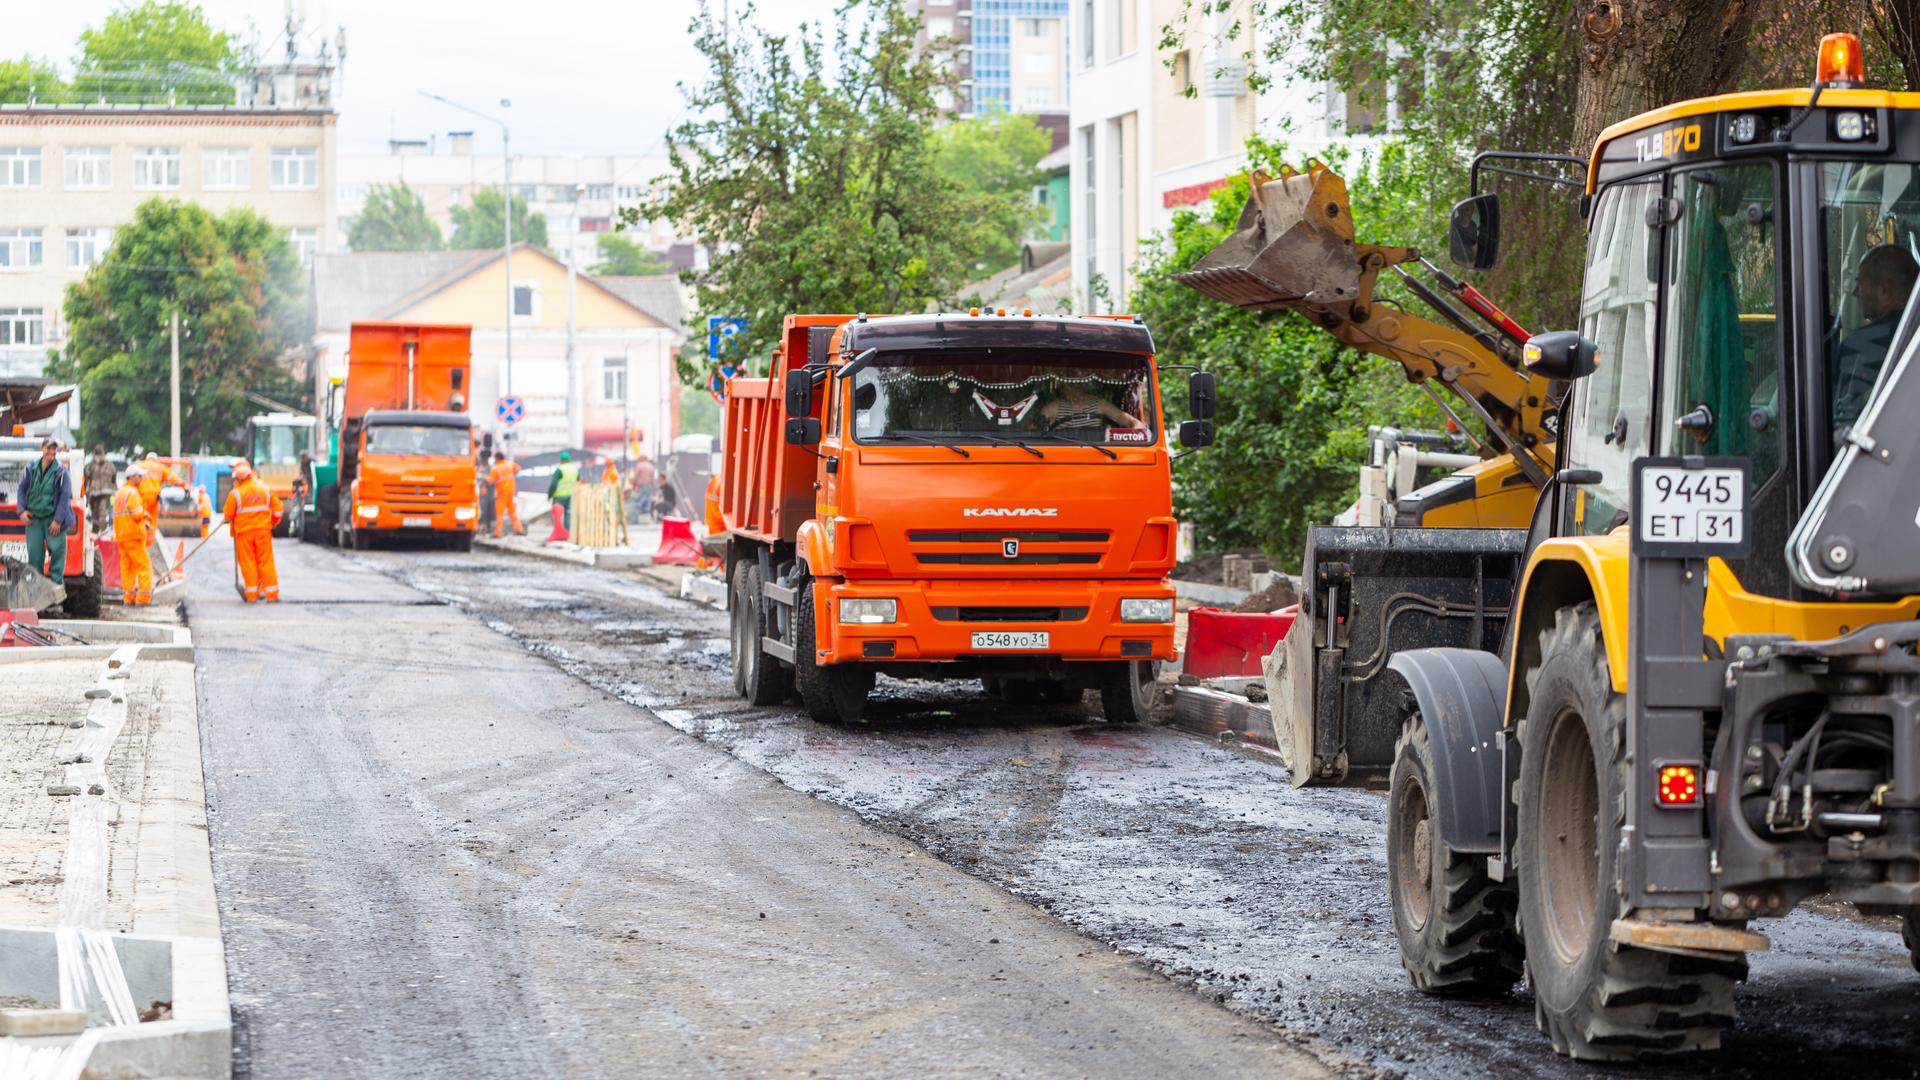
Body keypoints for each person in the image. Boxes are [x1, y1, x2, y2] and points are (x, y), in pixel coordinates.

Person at [1833, 245, 1920, 434]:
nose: (1856, 292)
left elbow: (1846, 426)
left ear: (1884, 291)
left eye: (1861, 283)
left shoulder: (1861, 345)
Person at [18, 437, 75, 587]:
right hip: (34, 519)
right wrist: (22, 511)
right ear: (42, 449)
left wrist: (58, 520)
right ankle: (36, 589)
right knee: (35, 555)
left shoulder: (62, 473)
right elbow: (21, 490)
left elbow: (65, 498)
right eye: (48, 448)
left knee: (57, 552)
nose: (51, 452)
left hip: (52, 519)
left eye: (54, 449)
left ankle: (56, 588)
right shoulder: (31, 469)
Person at [223, 459, 282, 603]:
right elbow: (278, 509)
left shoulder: (236, 494)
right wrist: (273, 521)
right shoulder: (264, 489)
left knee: (248, 563)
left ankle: (252, 595)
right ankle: (272, 594)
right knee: (266, 561)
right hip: (263, 531)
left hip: (244, 534)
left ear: (238, 478)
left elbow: (227, 514)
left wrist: (228, 518)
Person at [112, 465, 154, 606]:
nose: (142, 478)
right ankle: (143, 599)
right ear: (133, 477)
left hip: (122, 537)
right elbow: (136, 515)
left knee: (128, 569)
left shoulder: (120, 493)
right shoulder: (133, 493)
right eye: (140, 476)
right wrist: (145, 515)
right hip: (133, 537)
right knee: (144, 567)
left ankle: (128, 598)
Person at [1041, 379, 1139, 431]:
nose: (1075, 388)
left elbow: (1130, 421)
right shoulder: (1054, 408)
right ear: (1062, 388)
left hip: (1098, 453)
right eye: (1070, 384)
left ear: (1083, 384)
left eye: (1078, 383)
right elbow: (1035, 430)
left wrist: (1136, 429)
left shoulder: (1099, 404)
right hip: (1064, 455)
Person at [83, 446, 117, 532]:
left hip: (101, 493)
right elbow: (114, 478)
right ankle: (98, 531)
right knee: (97, 513)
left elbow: (86, 478)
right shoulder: (109, 465)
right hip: (98, 493)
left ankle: (100, 531)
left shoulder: (91, 465)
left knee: (101, 513)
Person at [488, 451, 521, 537]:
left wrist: (483, 477)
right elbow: (518, 469)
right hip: (511, 491)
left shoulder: (496, 468)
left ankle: (498, 532)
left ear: (497, 458)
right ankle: (518, 529)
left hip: (502, 493)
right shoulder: (510, 464)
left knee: (499, 513)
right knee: (512, 511)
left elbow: (489, 481)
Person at [548, 450, 579, 531]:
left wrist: (549, 495)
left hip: (559, 497)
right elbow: (578, 482)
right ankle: (567, 532)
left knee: (557, 515)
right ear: (569, 459)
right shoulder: (575, 469)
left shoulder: (559, 469)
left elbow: (553, 484)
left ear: (561, 460)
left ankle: (558, 532)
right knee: (568, 514)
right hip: (571, 495)